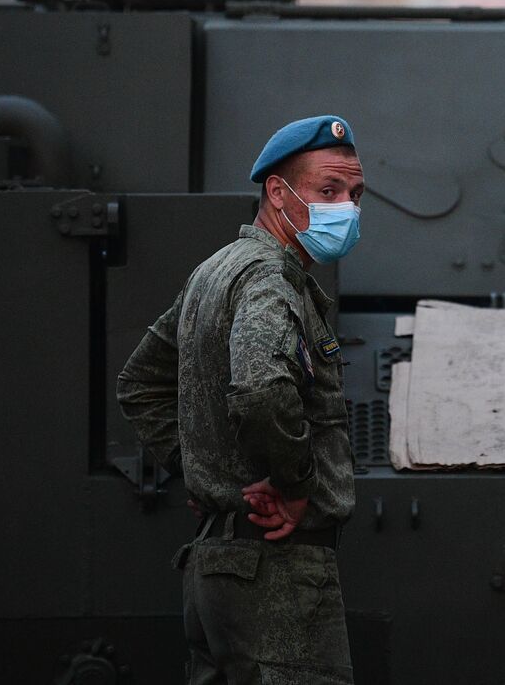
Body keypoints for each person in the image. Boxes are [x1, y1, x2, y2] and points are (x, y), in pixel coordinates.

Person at [117, 114, 362, 684]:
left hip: (219, 573)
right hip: (275, 576)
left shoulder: (216, 271)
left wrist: (205, 471)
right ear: (278, 194)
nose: (347, 208)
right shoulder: (268, 280)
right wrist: (295, 487)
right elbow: (259, 388)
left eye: (355, 194)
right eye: (329, 190)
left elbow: (140, 382)